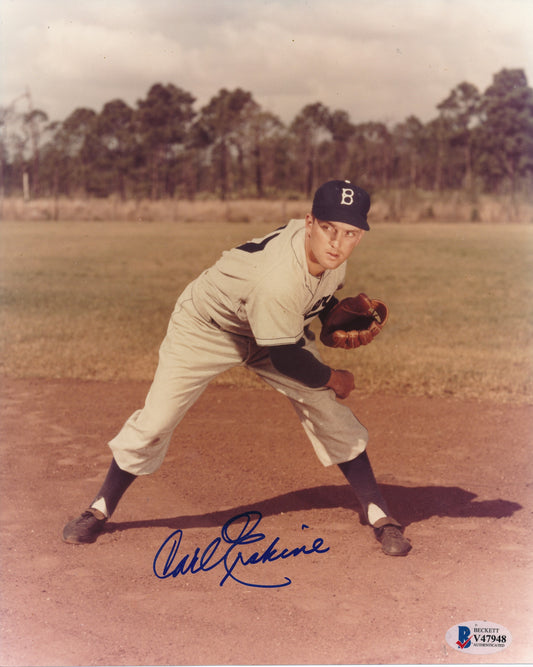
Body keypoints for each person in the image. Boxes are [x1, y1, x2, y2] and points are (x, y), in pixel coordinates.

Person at [63, 180, 411, 557]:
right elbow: (287, 358)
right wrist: (336, 378)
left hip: (272, 327)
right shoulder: (277, 278)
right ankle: (98, 509)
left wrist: (329, 311)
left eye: (349, 233)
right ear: (309, 222)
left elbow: (307, 303)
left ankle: (379, 513)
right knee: (156, 421)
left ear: (359, 236)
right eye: (327, 228)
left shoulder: (327, 257)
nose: (336, 243)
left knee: (326, 409)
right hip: (207, 327)